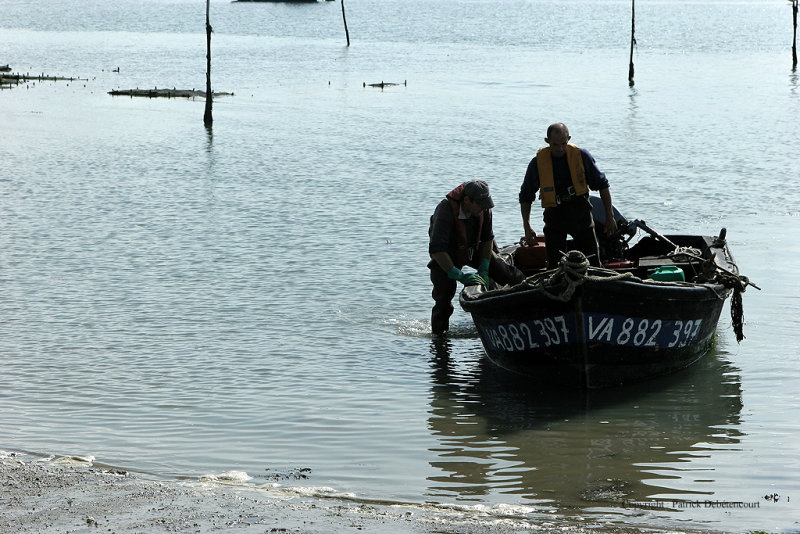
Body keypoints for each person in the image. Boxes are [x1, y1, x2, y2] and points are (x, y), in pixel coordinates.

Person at [428, 180, 525, 335]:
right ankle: (439, 339)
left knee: (505, 273)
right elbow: (437, 249)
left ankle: (525, 302)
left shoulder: (484, 209)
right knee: (443, 298)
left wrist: (484, 267)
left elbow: (487, 240)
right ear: (467, 200)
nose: (484, 209)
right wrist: (458, 274)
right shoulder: (445, 210)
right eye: (480, 205)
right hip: (447, 255)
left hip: (474, 248)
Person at [519, 122, 617, 268]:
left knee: (593, 262)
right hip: (555, 216)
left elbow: (602, 185)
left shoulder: (582, 156)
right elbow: (526, 196)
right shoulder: (538, 163)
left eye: (564, 144)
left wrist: (609, 216)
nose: (560, 148)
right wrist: (527, 226)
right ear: (547, 141)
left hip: (580, 213)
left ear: (569, 139)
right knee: (554, 264)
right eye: (555, 144)